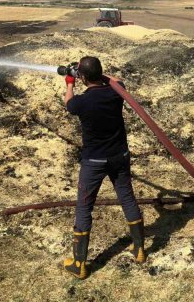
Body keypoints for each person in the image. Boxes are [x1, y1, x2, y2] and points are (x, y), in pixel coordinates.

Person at [60, 56, 145, 279]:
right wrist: (93, 74)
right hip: (119, 156)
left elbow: (68, 103)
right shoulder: (116, 92)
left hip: (94, 162)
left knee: (84, 207)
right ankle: (139, 250)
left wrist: (70, 81)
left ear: (83, 77)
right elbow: (116, 80)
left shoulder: (81, 102)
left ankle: (79, 263)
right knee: (127, 197)